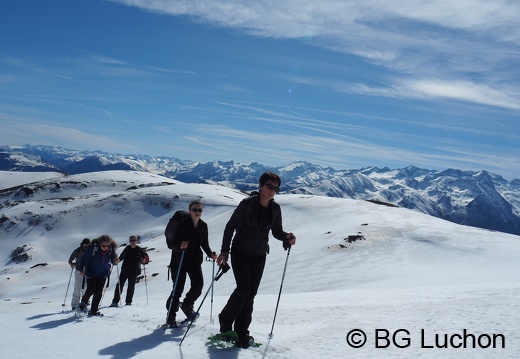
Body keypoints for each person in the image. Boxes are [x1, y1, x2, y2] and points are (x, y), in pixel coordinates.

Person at [217, 172, 296, 348]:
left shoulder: (275, 209)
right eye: (269, 186)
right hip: (240, 252)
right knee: (244, 288)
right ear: (260, 186)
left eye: (275, 188)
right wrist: (224, 251)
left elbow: (276, 232)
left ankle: (242, 331)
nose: (272, 191)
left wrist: (287, 237)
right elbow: (231, 226)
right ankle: (225, 321)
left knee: (251, 294)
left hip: (259, 255)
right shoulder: (247, 204)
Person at [166, 201, 217, 327]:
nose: (198, 212)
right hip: (179, 260)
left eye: (200, 210)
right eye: (195, 209)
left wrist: (210, 254)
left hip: (194, 260)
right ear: (189, 211)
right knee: (178, 289)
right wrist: (180, 246)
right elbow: (170, 244)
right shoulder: (182, 224)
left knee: (198, 286)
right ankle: (170, 317)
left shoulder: (203, 226)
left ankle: (187, 305)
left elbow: (204, 243)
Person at [78, 235, 119, 316]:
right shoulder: (93, 248)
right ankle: (84, 302)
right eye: (104, 245)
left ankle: (94, 310)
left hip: (103, 272)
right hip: (91, 271)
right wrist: (81, 269)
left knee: (99, 292)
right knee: (91, 289)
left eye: (108, 246)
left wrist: (115, 260)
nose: (106, 247)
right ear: (100, 244)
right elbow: (84, 258)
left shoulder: (111, 249)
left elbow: (112, 259)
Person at [110, 235, 148, 307]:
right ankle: (115, 301)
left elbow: (144, 259)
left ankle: (128, 302)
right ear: (129, 241)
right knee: (119, 285)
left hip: (134, 271)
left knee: (131, 286)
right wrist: (117, 260)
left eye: (134, 240)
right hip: (125, 270)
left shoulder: (139, 249)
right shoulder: (127, 248)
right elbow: (122, 257)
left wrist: (143, 261)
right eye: (131, 241)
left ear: (136, 241)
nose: (132, 242)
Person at [68, 238, 90, 310]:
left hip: (87, 272)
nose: (85, 246)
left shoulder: (91, 250)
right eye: (84, 244)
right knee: (77, 287)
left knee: (85, 288)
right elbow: (70, 259)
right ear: (82, 244)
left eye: (87, 245)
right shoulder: (77, 250)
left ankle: (84, 303)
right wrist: (72, 264)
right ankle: (74, 305)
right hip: (78, 270)